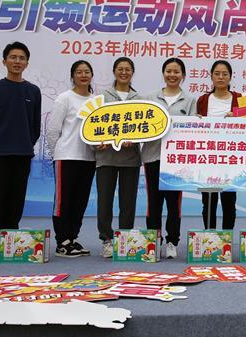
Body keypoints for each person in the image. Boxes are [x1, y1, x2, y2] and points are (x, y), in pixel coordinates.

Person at [0, 41, 42, 261]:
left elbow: (34, 126)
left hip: (22, 154)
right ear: (4, 61)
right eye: (13, 57)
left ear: (27, 63)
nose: (17, 61)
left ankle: (9, 239)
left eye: (22, 58)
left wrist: (26, 144)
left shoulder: (33, 91)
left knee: (16, 199)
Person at [142, 58, 196, 259]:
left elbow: (194, 130)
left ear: (183, 75)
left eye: (176, 72)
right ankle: (154, 240)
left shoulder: (190, 101)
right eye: (169, 71)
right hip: (152, 156)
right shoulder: (150, 99)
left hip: (176, 162)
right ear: (163, 73)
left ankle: (172, 241)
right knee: (153, 202)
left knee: (174, 204)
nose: (172, 75)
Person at [45, 60, 97, 257]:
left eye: (87, 72)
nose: (83, 75)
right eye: (79, 72)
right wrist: (56, 154)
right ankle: (62, 241)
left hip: (88, 158)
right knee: (63, 201)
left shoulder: (96, 101)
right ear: (72, 76)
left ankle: (72, 239)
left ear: (91, 75)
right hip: (66, 157)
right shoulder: (64, 98)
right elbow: (53, 130)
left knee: (80, 202)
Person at [95, 57, 142, 258]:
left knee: (128, 202)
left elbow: (144, 127)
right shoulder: (101, 97)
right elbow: (93, 125)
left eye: (127, 69)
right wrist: (98, 141)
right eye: (120, 69)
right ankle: (106, 239)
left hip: (130, 158)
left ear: (132, 72)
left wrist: (135, 138)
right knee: (104, 201)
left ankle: (124, 238)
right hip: (106, 157)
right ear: (114, 71)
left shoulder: (139, 99)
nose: (124, 72)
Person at [195, 60, 242, 230]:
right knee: (208, 202)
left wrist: (238, 116)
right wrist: (196, 121)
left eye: (224, 74)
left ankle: (226, 238)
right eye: (217, 74)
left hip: (231, 158)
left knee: (229, 202)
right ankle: (210, 235)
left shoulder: (240, 99)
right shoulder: (203, 100)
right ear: (211, 76)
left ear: (230, 77)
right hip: (207, 158)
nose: (220, 77)